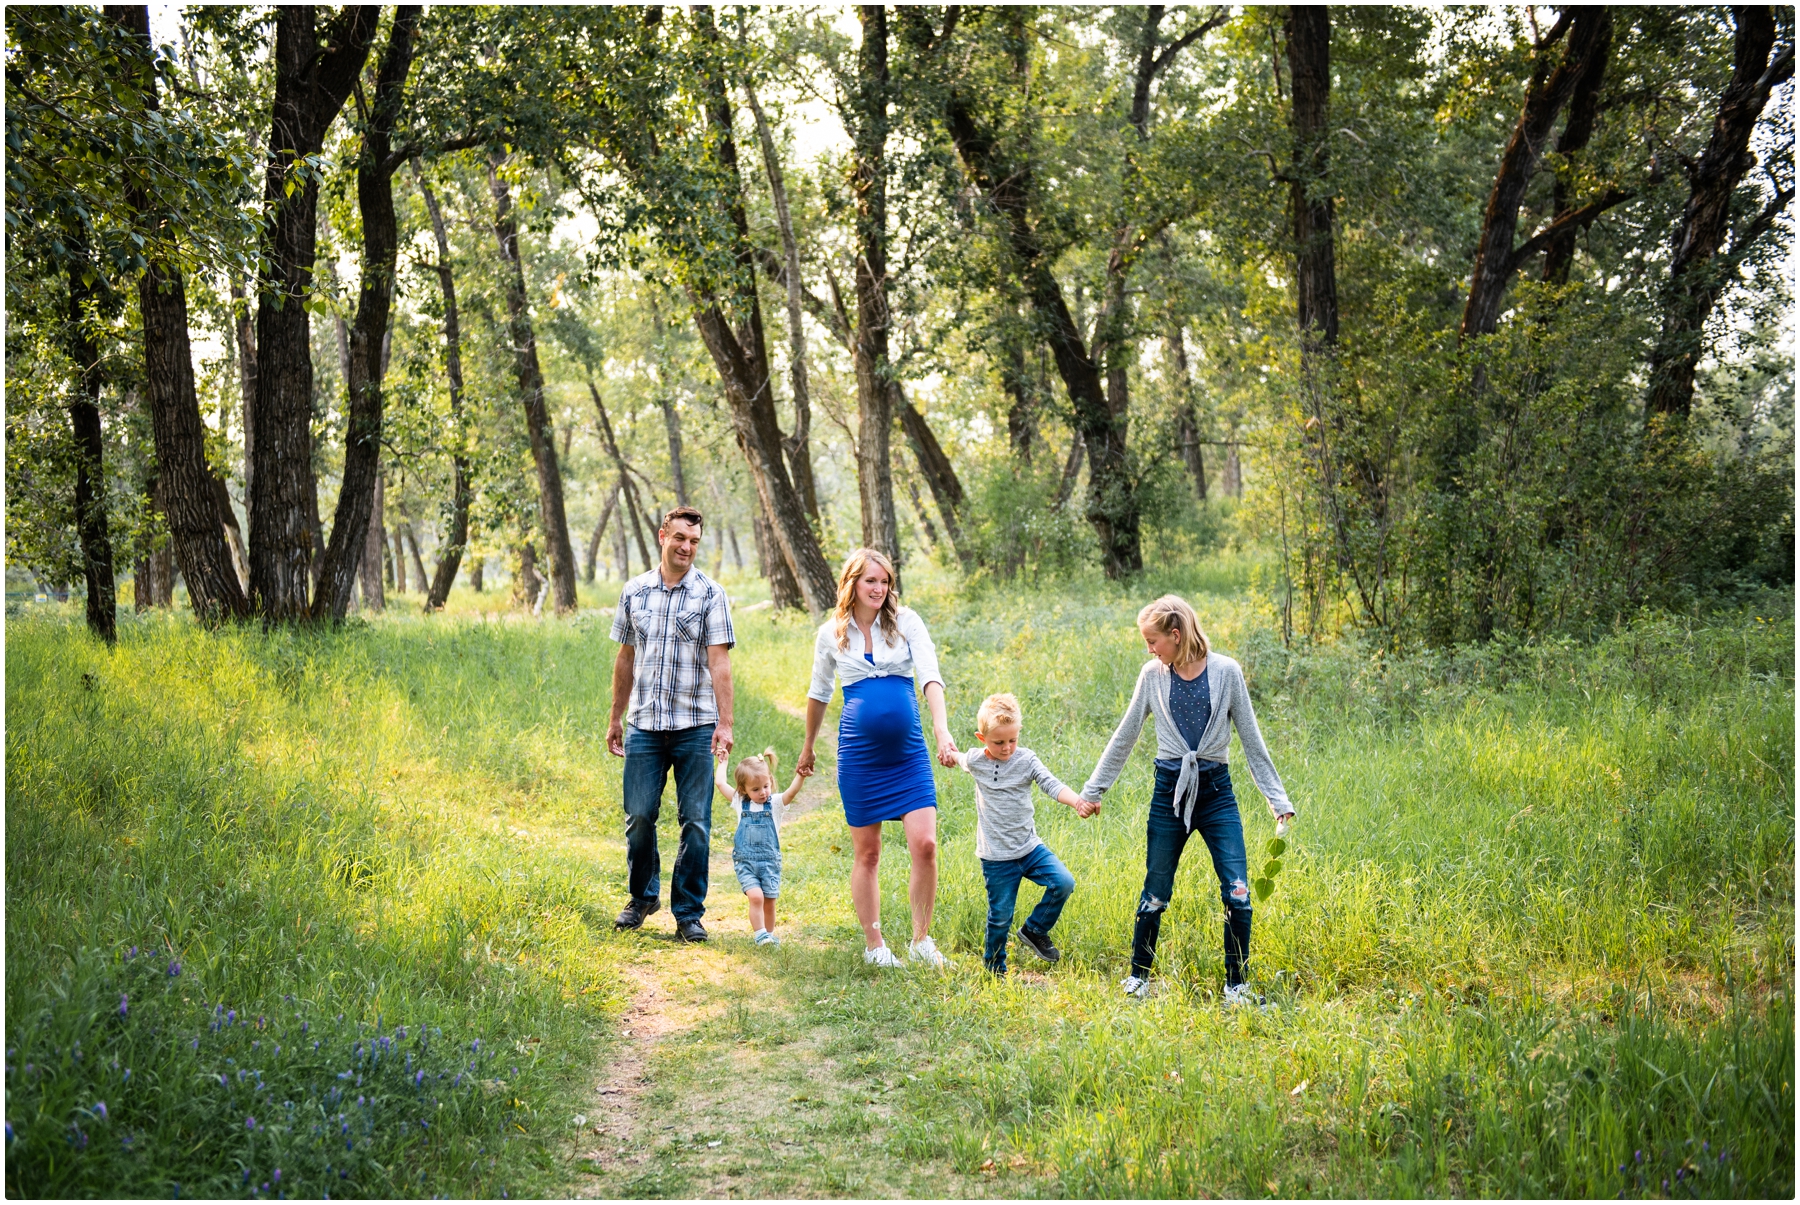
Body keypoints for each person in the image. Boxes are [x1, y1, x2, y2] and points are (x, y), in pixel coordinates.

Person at [1081, 595, 1296, 1005]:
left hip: (1217, 794)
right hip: (1169, 794)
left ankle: (1237, 986)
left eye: (1153, 640)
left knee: (1238, 891)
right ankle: (1138, 979)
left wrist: (1277, 798)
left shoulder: (1227, 672)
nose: (1149, 649)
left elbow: (1252, 740)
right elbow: (1124, 737)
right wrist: (1093, 791)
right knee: (1155, 890)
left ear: (1176, 635)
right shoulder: (1152, 675)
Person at [798, 549, 958, 968]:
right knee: (867, 853)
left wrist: (942, 732)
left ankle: (921, 940)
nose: (879, 588)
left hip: (908, 756)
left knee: (925, 844)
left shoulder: (907, 621)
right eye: (870, 580)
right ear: (851, 583)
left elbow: (930, 676)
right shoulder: (832, 632)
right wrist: (808, 745)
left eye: (884, 581)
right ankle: (875, 947)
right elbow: (819, 693)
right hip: (860, 757)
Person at [606, 506, 735, 943]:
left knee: (695, 821)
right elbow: (625, 658)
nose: (686, 547)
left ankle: (688, 913)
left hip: (696, 723)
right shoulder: (635, 591)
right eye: (680, 537)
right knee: (639, 817)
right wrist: (615, 717)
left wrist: (726, 723)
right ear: (663, 535)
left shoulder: (710, 594)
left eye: (694, 541)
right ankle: (643, 897)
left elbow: (720, 663)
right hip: (644, 723)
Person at [952, 693, 1098, 976]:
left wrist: (1078, 801)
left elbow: (1052, 784)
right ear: (982, 738)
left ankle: (1034, 929)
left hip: (1030, 849)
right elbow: (958, 758)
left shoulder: (1026, 760)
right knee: (1000, 919)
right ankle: (995, 971)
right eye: (999, 742)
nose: (1007, 748)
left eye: (1012, 740)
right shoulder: (975, 760)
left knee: (1063, 882)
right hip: (996, 859)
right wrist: (949, 754)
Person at [713, 747, 806, 946]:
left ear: (770, 781)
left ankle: (769, 936)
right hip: (745, 862)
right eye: (755, 790)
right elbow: (720, 783)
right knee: (756, 897)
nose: (763, 792)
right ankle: (760, 935)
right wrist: (723, 762)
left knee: (770, 901)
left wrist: (801, 775)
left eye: (766, 786)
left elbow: (792, 791)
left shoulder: (775, 803)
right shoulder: (739, 802)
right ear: (743, 790)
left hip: (769, 862)